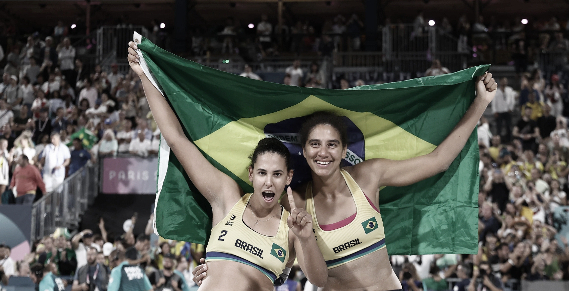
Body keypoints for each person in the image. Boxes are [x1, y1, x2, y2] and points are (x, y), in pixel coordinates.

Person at [196, 73, 498, 290]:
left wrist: (480, 103)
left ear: (343, 151)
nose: (323, 152)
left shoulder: (368, 176)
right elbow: (272, 253)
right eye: (314, 144)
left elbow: (438, 161)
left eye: (331, 144)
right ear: (304, 151)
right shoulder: (295, 200)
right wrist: (219, 268)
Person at [128, 41, 327, 291]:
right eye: (262, 173)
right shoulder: (226, 197)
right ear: (251, 174)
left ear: (288, 178)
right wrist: (145, 74)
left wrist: (306, 238)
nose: (268, 181)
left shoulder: (292, 228)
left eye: (277, 174)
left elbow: (319, 280)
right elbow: (177, 139)